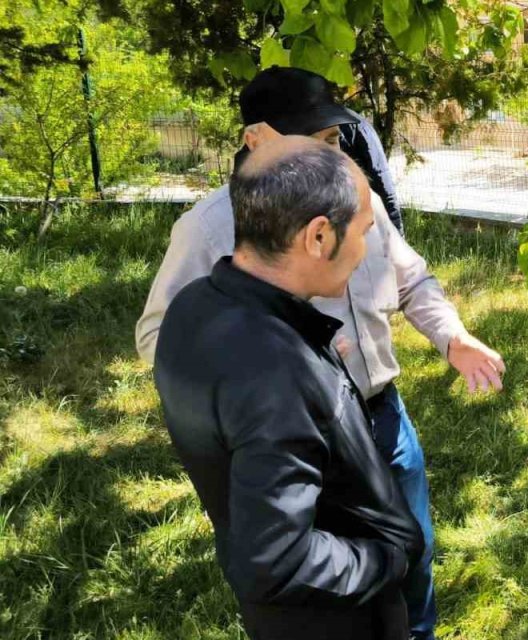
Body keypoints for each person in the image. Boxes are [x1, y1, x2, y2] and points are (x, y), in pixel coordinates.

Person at [137, 67, 505, 640]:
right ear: (257, 140)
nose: (334, 158)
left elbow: (412, 280)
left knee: (415, 551)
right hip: (306, 441)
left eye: (335, 141)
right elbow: (167, 336)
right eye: (316, 142)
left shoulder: (353, 197)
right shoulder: (208, 229)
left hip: (381, 415)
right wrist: (274, 376)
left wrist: (452, 336)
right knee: (346, 585)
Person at [154, 136, 423, 639]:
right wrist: (387, 560)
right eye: (363, 231)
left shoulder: (196, 307)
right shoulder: (274, 376)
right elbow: (278, 561)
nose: (365, 249)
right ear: (319, 237)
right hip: (337, 621)